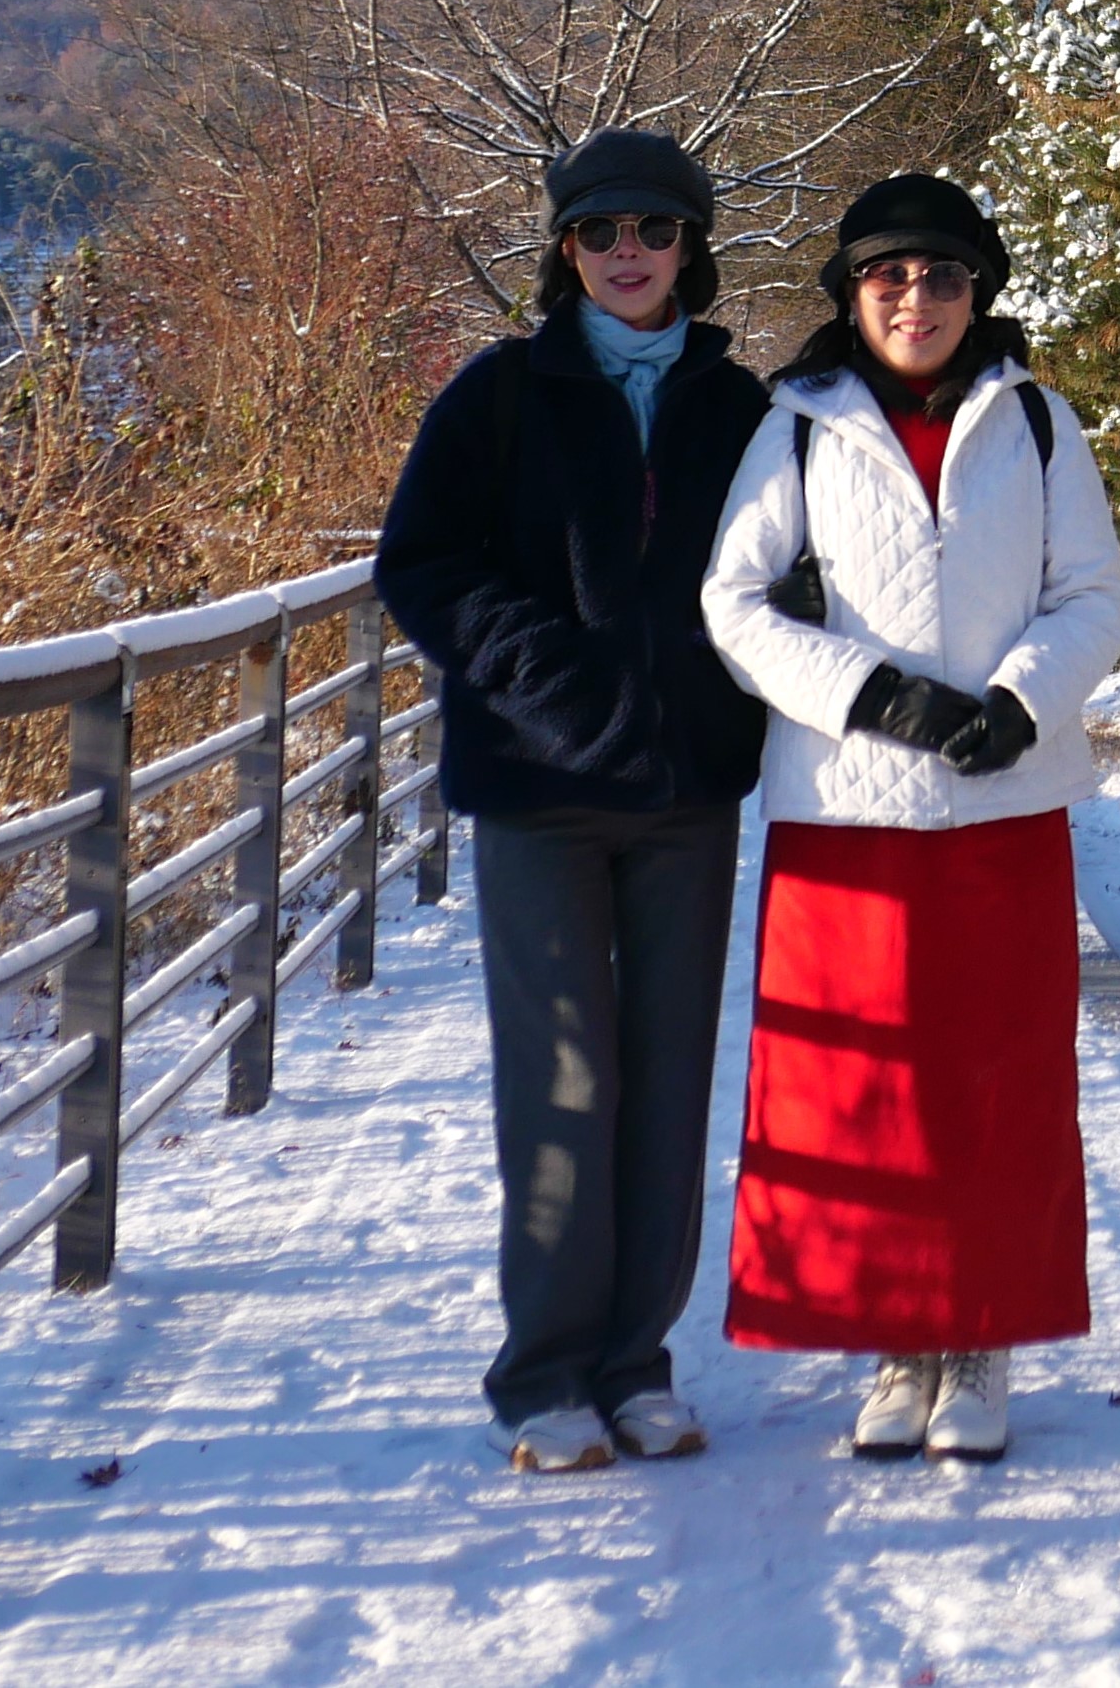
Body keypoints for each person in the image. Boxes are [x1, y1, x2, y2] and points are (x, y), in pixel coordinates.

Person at [700, 172, 1120, 1463]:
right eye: (888, 275)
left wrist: (1019, 705)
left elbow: (1093, 594)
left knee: (999, 1081)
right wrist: (872, 696)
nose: (916, 299)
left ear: (978, 291)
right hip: (847, 813)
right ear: (851, 293)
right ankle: (899, 1341)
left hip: (1005, 805)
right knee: (863, 1089)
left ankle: (978, 1339)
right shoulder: (797, 426)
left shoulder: (1036, 421)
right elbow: (733, 603)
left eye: (943, 275)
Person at [374, 127, 771, 1474]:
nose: (627, 254)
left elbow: (798, 573)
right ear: (565, 250)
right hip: (539, 785)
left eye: (653, 230)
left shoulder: (741, 407)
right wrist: (548, 678)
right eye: (599, 232)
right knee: (561, 1083)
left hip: (686, 791)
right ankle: (543, 1374)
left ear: (691, 247)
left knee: (666, 1082)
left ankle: (635, 1365)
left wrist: (729, 695)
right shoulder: (502, 393)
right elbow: (424, 565)